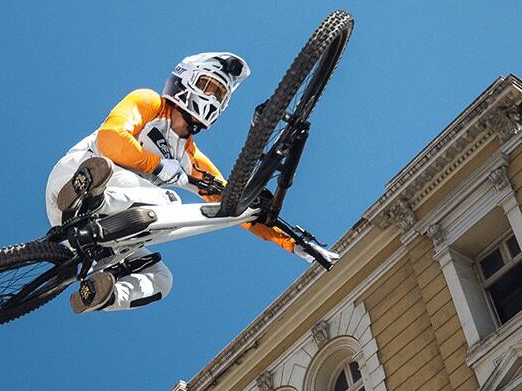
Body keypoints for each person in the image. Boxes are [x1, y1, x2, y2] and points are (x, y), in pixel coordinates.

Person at [47, 52, 338, 314]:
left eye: (220, 95)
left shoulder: (190, 158)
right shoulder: (149, 103)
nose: (212, 98)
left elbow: (232, 204)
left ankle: (99, 295)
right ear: (184, 79)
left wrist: (295, 244)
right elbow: (110, 140)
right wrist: (158, 165)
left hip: (106, 230)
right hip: (75, 181)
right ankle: (93, 196)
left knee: (162, 280)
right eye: (209, 86)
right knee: (166, 203)